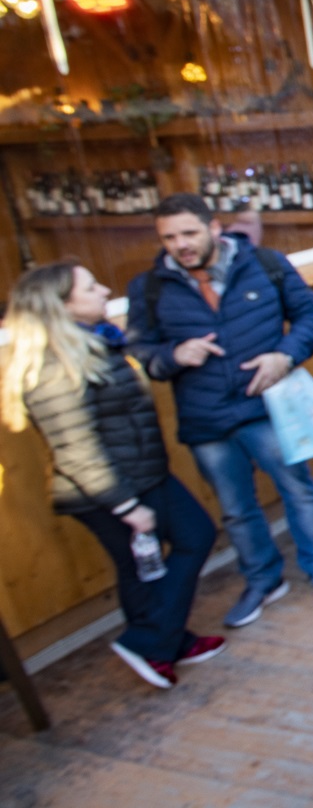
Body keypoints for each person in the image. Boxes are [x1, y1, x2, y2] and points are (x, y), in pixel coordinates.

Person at [127, 193, 313, 629]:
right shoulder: (149, 287)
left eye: (189, 233)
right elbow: (141, 349)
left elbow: (309, 316)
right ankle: (263, 580)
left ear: (213, 229)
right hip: (205, 419)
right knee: (235, 508)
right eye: (169, 237)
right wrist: (173, 354)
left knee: (298, 489)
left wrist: (284, 356)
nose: (180, 244)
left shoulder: (265, 263)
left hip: (268, 407)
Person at [2, 262, 224, 691]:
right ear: (62, 306)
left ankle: (165, 641)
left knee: (156, 562)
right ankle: (150, 641)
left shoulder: (97, 344)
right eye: (91, 287)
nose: (104, 290)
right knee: (178, 547)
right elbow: (75, 451)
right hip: (107, 492)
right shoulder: (53, 367)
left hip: (143, 474)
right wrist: (126, 506)